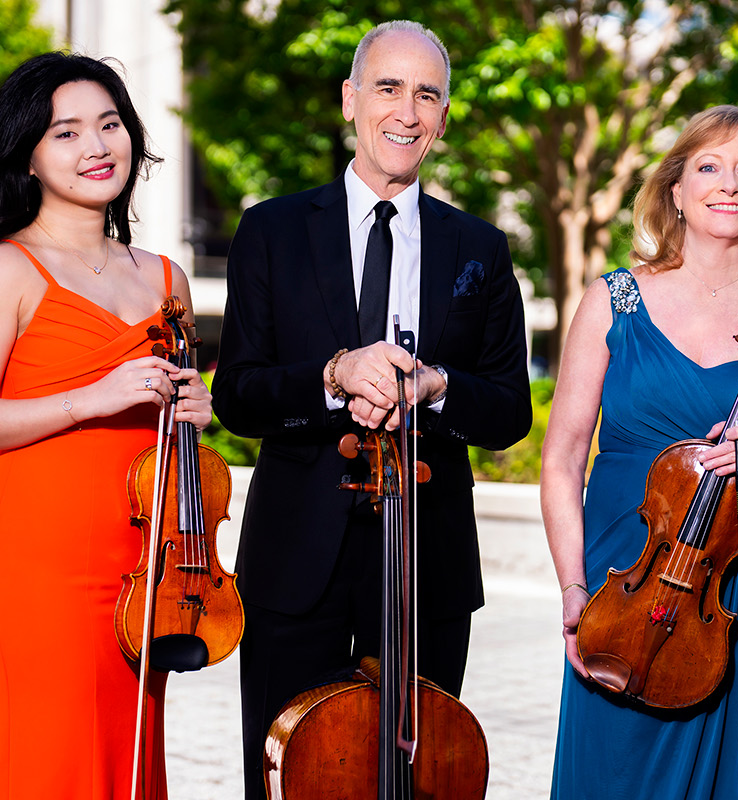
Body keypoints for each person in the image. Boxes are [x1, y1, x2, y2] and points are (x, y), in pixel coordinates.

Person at [209, 20, 531, 796]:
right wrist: (331, 375)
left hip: (429, 560)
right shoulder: (272, 229)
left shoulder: (479, 249)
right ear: (351, 100)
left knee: (419, 777)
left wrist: (439, 386)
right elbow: (237, 395)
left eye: (428, 95)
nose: (407, 112)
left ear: (445, 117)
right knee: (286, 778)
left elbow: (510, 410)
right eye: (388, 88)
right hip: (295, 562)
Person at [541, 105, 738, 799]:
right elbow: (561, 463)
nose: (728, 184)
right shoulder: (611, 300)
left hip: (733, 590)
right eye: (708, 166)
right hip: (622, 579)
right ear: (676, 188)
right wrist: (574, 590)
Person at [0, 52, 210, 799]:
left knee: (129, 757)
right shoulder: (6, 269)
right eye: (66, 132)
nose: (97, 147)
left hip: (145, 558)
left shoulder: (165, 278)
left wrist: (194, 412)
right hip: (39, 558)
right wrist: (91, 398)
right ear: (26, 153)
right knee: (50, 761)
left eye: (110, 124)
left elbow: (172, 429)